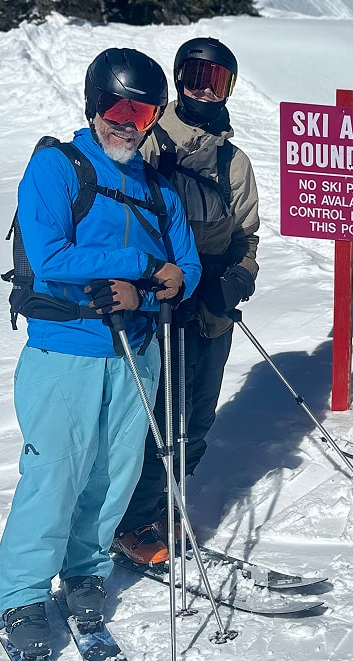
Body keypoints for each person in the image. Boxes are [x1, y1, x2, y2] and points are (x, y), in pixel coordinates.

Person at [0, 47, 202, 659]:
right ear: (93, 104)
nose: (126, 120)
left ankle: (83, 568)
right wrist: (139, 267)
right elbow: (51, 255)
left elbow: (183, 267)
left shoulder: (158, 189)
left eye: (141, 110)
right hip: (65, 351)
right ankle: (23, 593)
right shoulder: (57, 167)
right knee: (55, 472)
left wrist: (148, 290)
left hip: (135, 351)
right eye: (115, 105)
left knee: (115, 474)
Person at [114, 37, 262, 564]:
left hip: (211, 309)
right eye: (194, 75)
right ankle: (132, 521)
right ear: (178, 79)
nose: (203, 86)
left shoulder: (234, 162)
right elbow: (124, 217)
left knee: (198, 418)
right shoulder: (152, 141)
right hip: (161, 307)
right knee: (160, 416)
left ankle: (163, 505)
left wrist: (238, 278)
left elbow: (247, 236)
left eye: (215, 79)